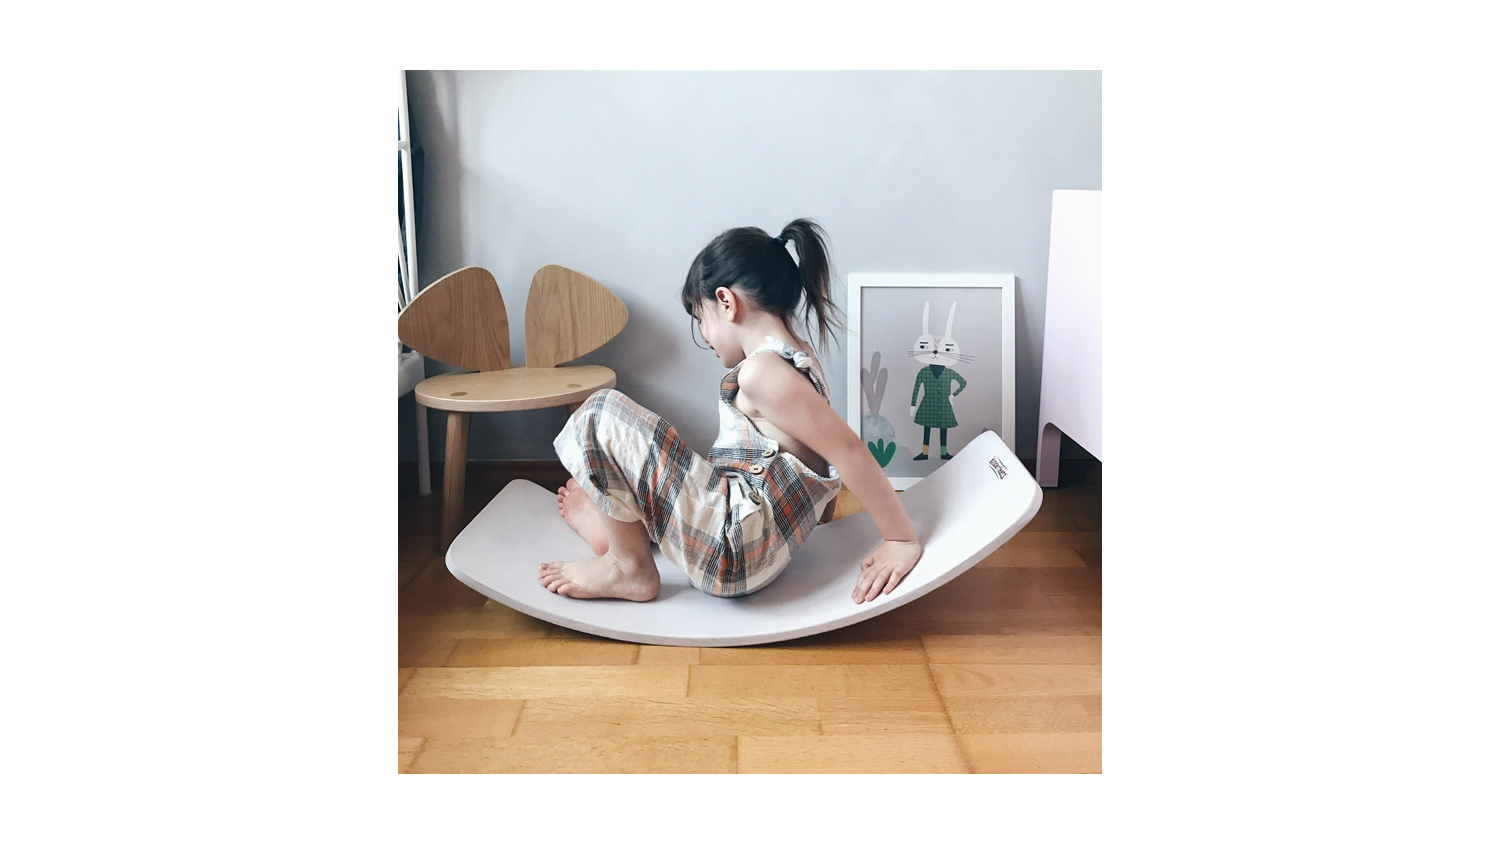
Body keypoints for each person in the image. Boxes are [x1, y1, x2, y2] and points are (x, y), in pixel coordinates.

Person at [539, 219, 923, 604]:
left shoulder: (761, 372)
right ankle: (621, 534)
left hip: (733, 552)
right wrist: (819, 523)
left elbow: (847, 451)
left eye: (700, 320)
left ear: (726, 302)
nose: (705, 336)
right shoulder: (799, 360)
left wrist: (900, 539)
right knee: (672, 466)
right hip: (748, 544)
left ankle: (627, 565)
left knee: (600, 411)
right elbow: (819, 457)